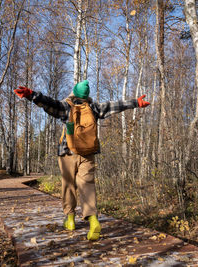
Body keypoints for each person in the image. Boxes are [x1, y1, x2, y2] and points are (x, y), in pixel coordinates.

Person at [14, 80, 150, 241]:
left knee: (68, 185)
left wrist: (31, 95)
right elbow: (116, 105)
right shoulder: (94, 108)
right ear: (86, 96)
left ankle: (70, 219)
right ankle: (93, 221)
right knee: (87, 186)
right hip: (89, 153)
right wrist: (136, 102)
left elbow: (49, 103)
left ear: (74, 93)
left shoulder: (66, 106)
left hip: (67, 152)